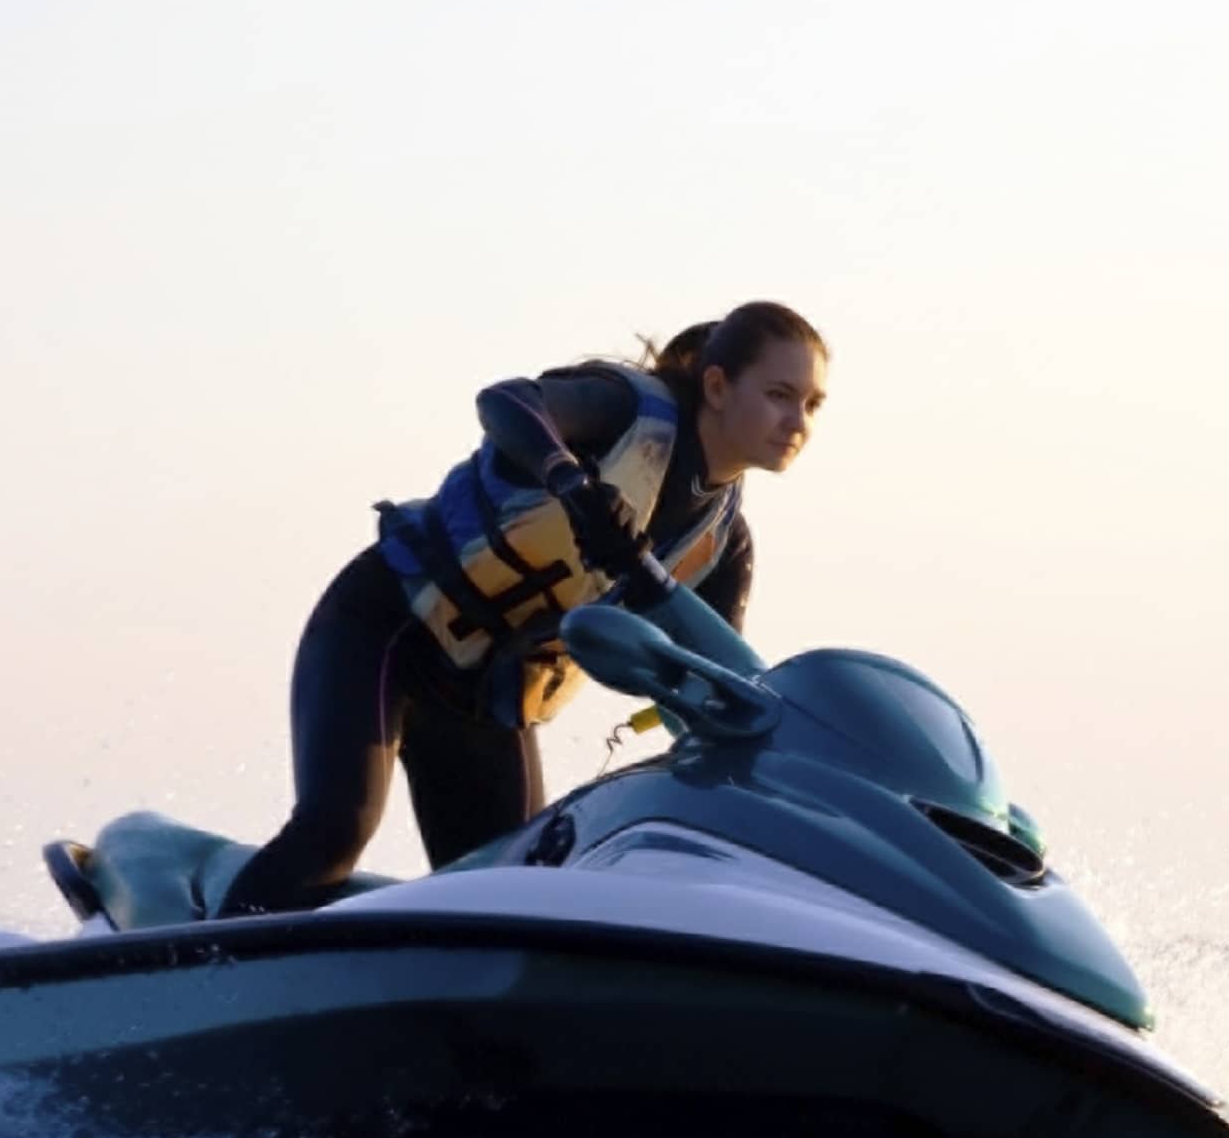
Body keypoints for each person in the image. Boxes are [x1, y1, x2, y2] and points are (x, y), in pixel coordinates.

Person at [218, 300, 828, 915]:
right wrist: (571, 484)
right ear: (717, 387)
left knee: (512, 897)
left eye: (812, 404)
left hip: (486, 698)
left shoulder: (721, 544)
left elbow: (715, 687)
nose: (797, 420)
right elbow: (504, 401)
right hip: (389, 626)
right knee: (334, 829)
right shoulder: (626, 412)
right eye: (780, 394)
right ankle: (190, 976)